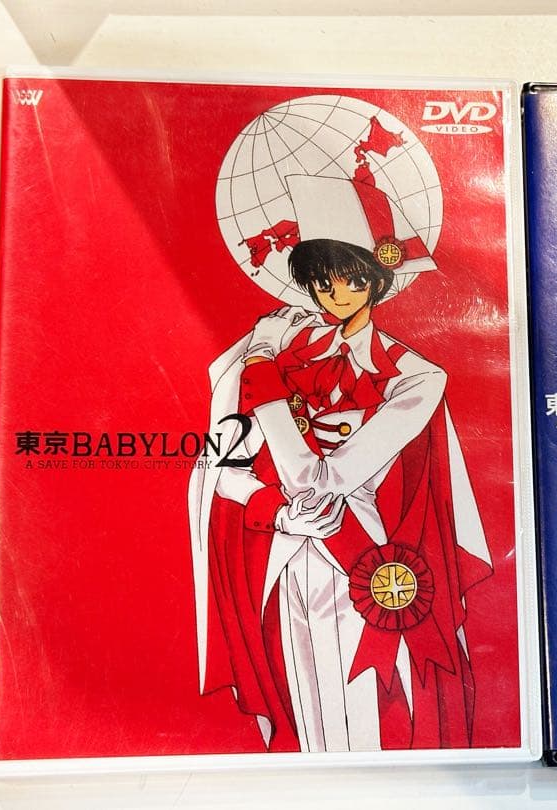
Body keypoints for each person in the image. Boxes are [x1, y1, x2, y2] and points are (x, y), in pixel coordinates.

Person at [188, 173, 492, 752]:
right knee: (305, 714)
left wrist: (262, 373)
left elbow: (315, 478)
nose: (337, 294)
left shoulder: (416, 377)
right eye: (323, 281)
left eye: (352, 278)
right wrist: (276, 513)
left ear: (377, 277)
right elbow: (218, 469)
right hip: (282, 559)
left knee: (367, 714)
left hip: (367, 560)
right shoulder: (275, 347)